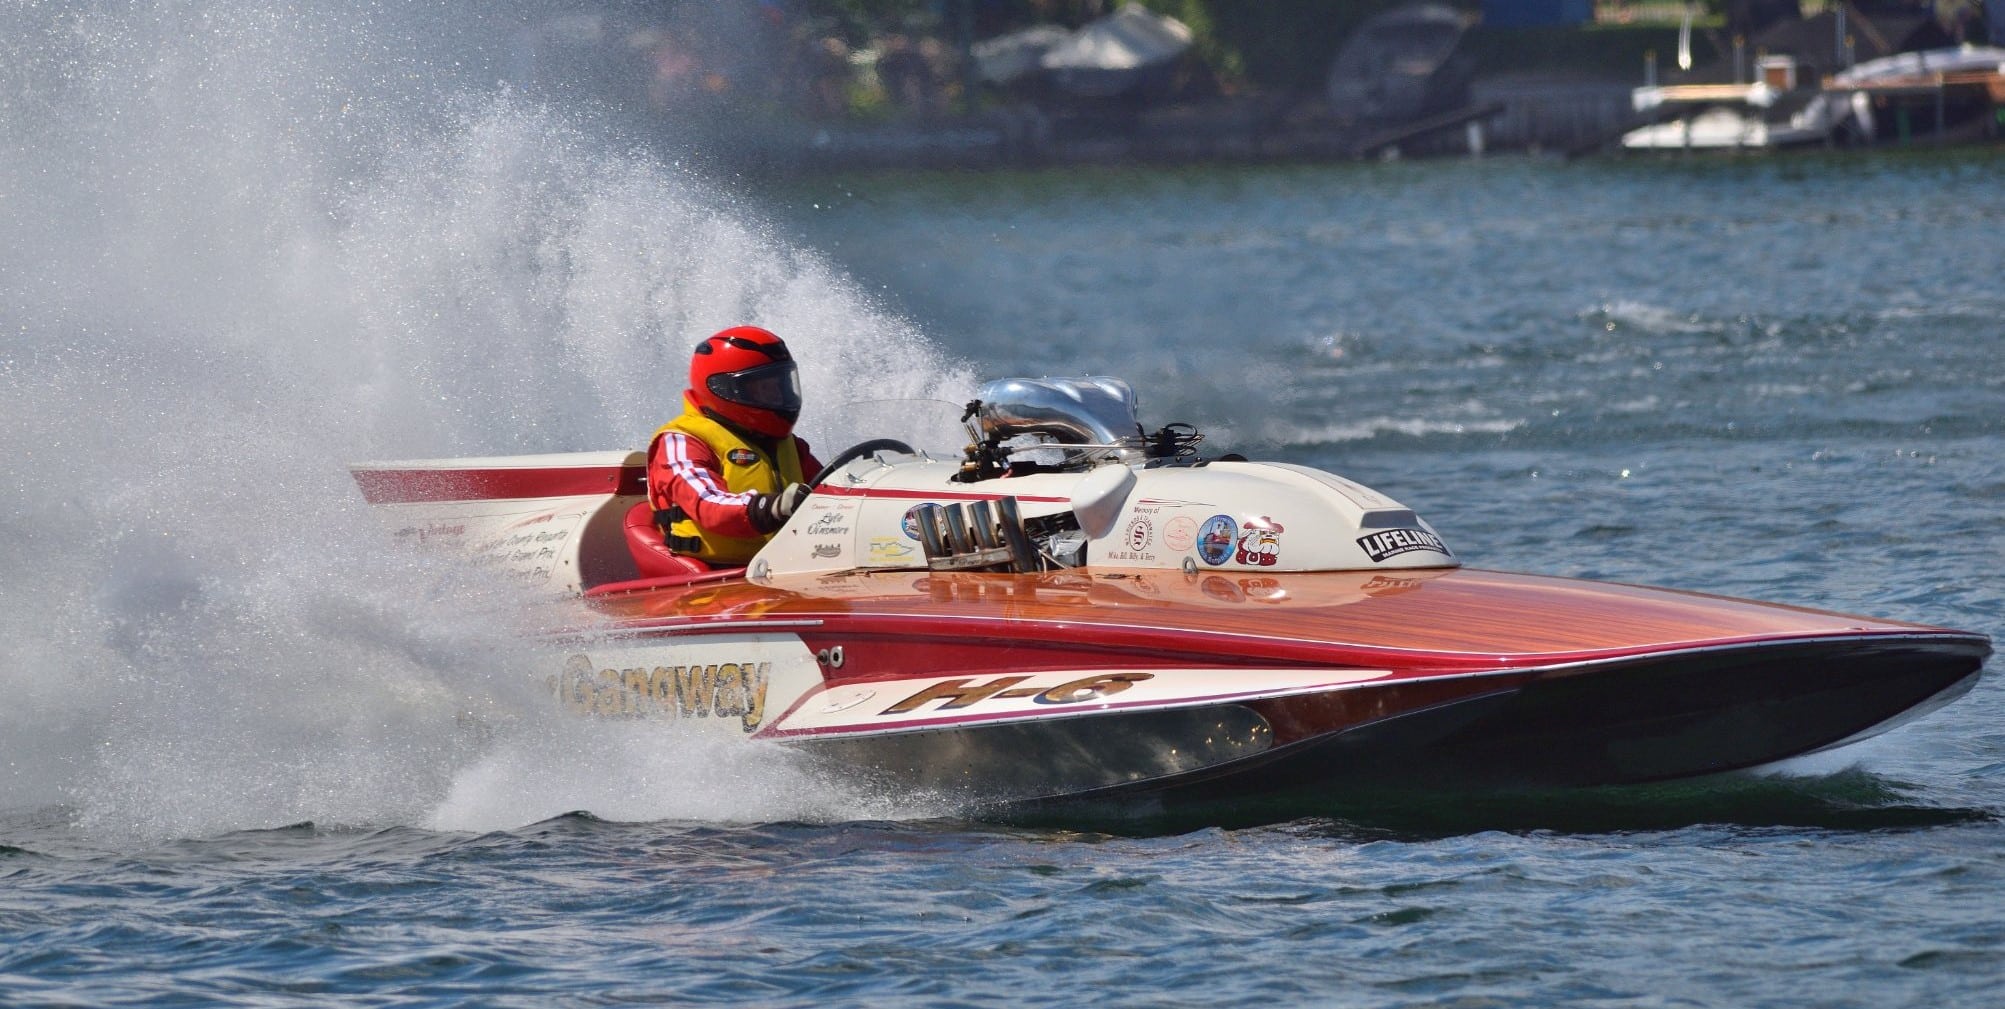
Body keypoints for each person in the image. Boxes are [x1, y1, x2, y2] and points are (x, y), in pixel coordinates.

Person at [646, 326, 822, 567]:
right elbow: (708, 502)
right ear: (724, 390)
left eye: (780, 385)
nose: (779, 397)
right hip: (711, 585)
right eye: (763, 388)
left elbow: (830, 490)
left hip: (785, 570)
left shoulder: (787, 444)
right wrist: (770, 507)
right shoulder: (681, 441)